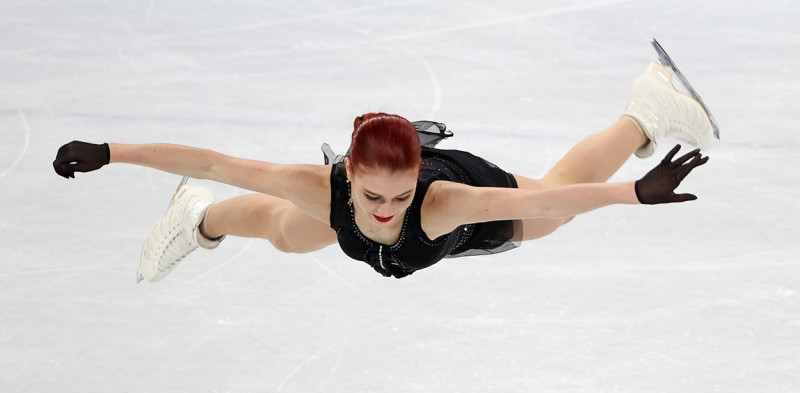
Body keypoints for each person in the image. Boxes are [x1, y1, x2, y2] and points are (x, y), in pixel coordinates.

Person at [53, 59, 714, 281]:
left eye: (398, 196)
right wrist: (109, 152)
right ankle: (195, 218)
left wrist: (635, 193)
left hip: (463, 188)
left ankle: (645, 112)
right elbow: (214, 161)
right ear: (347, 171)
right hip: (349, 185)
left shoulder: (441, 203)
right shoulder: (327, 187)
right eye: (373, 194)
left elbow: (546, 203)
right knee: (290, 230)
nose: (385, 209)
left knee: (552, 209)